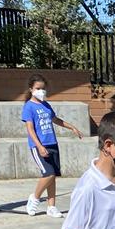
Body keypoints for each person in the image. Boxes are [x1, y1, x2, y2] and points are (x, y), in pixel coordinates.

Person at [21, 74, 83, 218]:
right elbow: (30, 129)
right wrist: (40, 146)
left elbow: (55, 119)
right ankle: (34, 198)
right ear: (31, 89)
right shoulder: (28, 107)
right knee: (48, 173)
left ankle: (51, 206)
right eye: (38, 88)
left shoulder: (46, 105)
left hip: (52, 143)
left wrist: (71, 127)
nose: (41, 91)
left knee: (53, 176)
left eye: (43, 89)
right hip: (39, 146)